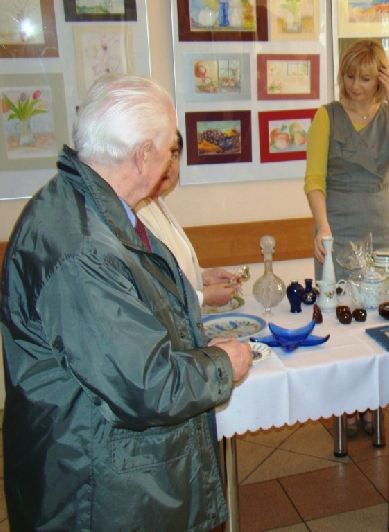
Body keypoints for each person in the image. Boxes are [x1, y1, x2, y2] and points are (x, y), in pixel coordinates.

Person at [0, 74, 253, 531]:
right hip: (94, 485)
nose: (170, 162)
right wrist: (223, 364)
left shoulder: (92, 209)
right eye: (168, 149)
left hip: (100, 463)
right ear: (142, 155)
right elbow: (145, 385)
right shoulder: (83, 250)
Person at [304, 39, 389, 437]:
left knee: (379, 312)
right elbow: (314, 180)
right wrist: (322, 226)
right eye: (350, 76)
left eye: (366, 78)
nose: (355, 86)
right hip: (336, 224)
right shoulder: (327, 116)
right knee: (340, 317)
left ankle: (374, 401)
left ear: (381, 79)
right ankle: (345, 407)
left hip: (380, 222)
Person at [136, 129, 239, 308]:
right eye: (161, 156)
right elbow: (155, 292)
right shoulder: (138, 213)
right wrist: (203, 297)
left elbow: (175, 268)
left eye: (174, 156)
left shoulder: (158, 202)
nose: (168, 166)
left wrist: (204, 276)